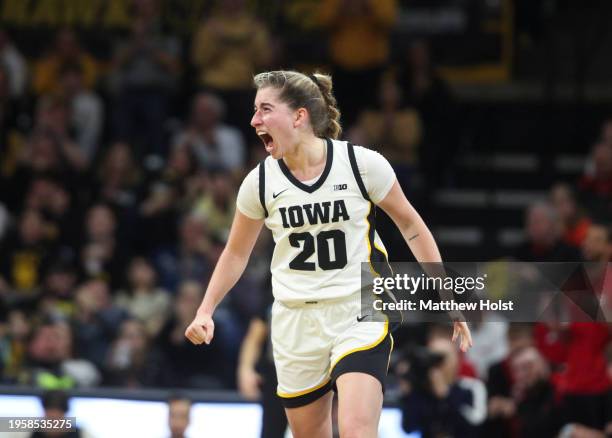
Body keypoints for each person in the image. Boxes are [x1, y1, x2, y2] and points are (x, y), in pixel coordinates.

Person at [185, 70, 472, 438]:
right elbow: (235, 255)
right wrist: (205, 310)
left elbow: (412, 226)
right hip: (294, 321)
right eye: (255, 110)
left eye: (265, 109)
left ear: (299, 116)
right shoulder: (258, 182)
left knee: (355, 431)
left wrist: (446, 293)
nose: (254, 120)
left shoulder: (360, 164)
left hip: (359, 308)